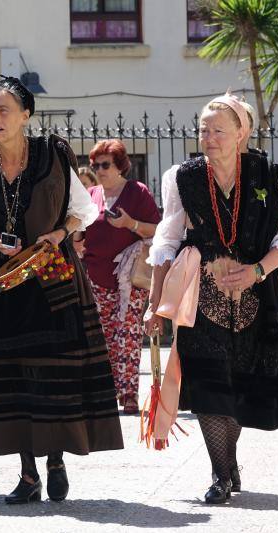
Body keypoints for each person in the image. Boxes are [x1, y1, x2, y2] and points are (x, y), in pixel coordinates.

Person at [0, 76, 123, 504]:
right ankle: (28, 475)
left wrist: (57, 234)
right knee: (11, 377)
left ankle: (55, 461)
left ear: (25, 115)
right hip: (2, 284)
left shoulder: (51, 154)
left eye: (3, 109)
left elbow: (82, 211)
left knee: (54, 373)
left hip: (52, 277)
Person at [145, 93, 278, 504]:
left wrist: (257, 270)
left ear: (242, 133)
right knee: (208, 383)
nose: (209, 137)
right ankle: (221, 474)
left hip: (256, 297)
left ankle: (229, 461)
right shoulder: (182, 177)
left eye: (219, 130)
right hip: (202, 295)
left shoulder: (264, 174)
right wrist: (153, 304)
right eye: (203, 129)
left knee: (238, 384)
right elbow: (166, 240)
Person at [78, 140, 161, 414]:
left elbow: (157, 231)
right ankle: (105, 392)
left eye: (105, 165)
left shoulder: (137, 193)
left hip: (130, 279)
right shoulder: (90, 194)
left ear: (120, 166)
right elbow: (80, 233)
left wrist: (130, 224)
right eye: (95, 165)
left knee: (127, 335)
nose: (99, 170)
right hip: (95, 277)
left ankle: (128, 395)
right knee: (102, 338)